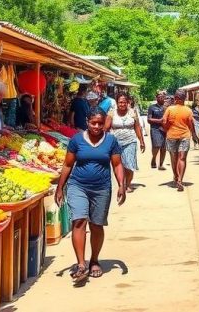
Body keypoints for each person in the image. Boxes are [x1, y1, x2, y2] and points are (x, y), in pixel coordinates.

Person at [54, 111, 126, 285]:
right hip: (78, 186)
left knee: (96, 225)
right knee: (79, 221)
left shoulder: (111, 141)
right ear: (87, 122)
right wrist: (60, 187)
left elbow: (117, 164)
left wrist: (122, 185)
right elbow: (68, 164)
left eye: (100, 123)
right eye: (93, 123)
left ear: (104, 124)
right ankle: (81, 264)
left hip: (101, 188)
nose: (96, 127)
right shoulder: (77, 140)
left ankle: (94, 260)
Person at [105, 92, 145, 191]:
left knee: (129, 165)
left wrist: (141, 141)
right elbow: (105, 128)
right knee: (118, 165)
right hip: (115, 143)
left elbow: (137, 127)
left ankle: (127, 184)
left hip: (130, 141)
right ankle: (121, 184)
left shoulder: (132, 112)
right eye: (120, 102)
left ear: (127, 102)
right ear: (117, 103)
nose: (122, 104)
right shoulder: (111, 112)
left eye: (124, 102)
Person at [164, 91, 199, 191]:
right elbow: (191, 124)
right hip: (185, 136)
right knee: (182, 158)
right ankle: (180, 180)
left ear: (175, 98)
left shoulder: (169, 109)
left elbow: (164, 122)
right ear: (184, 99)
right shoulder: (188, 110)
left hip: (171, 136)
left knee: (174, 158)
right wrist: (194, 136)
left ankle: (176, 177)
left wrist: (168, 129)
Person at [147, 91, 168, 170]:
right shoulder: (152, 107)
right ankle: (154, 158)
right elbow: (149, 119)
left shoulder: (167, 108)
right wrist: (159, 121)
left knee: (163, 147)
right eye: (159, 97)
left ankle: (161, 164)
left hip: (165, 129)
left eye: (162, 97)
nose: (161, 98)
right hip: (155, 129)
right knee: (156, 145)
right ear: (156, 98)